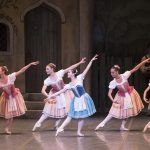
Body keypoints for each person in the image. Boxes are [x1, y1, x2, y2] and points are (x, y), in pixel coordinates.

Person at [46, 55, 98, 137]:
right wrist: (50, 96)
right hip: (76, 100)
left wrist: (91, 61)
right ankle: (61, 128)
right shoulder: (69, 85)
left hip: (83, 98)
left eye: (69, 72)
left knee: (82, 117)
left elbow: (86, 69)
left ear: (73, 74)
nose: (68, 73)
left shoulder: (80, 78)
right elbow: (60, 91)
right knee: (70, 116)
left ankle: (78, 131)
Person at [95, 58, 150, 131]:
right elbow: (109, 93)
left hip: (129, 94)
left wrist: (144, 61)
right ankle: (102, 123)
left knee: (127, 111)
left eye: (113, 72)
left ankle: (122, 126)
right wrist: (113, 100)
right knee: (112, 112)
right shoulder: (113, 82)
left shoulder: (125, 75)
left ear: (117, 72)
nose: (112, 74)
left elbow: (135, 68)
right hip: (120, 97)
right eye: (111, 72)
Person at [32, 58, 86, 131]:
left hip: (64, 93)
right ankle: (38, 123)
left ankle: (56, 125)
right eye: (46, 69)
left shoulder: (59, 73)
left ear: (52, 69)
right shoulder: (47, 80)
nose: (46, 70)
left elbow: (70, 68)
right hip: (55, 94)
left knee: (64, 110)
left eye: (47, 69)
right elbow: (42, 90)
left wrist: (80, 62)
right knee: (47, 112)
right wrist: (49, 96)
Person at [0, 61, 39, 134]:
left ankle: (7, 128)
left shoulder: (10, 77)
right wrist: (4, 87)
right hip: (7, 97)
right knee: (8, 115)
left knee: (11, 114)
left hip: (13, 95)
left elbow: (22, 70)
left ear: (3, 71)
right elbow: (6, 91)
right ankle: (6, 128)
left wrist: (30, 64)